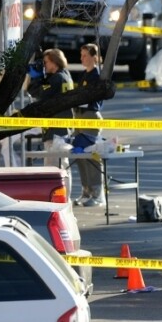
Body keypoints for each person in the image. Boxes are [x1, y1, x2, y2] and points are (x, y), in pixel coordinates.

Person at [27, 48, 74, 192]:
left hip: (56, 130)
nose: (44, 66)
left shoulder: (57, 79)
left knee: (54, 168)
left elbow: (38, 93)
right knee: (62, 166)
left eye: (46, 62)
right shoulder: (65, 75)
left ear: (55, 62)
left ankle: (61, 197)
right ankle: (65, 196)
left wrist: (35, 78)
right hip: (62, 127)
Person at [73, 43, 105, 207]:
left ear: (94, 57)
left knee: (91, 154)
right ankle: (86, 190)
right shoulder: (83, 75)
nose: (82, 58)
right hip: (79, 116)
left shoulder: (96, 75)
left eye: (85, 55)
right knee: (80, 155)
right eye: (81, 55)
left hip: (90, 115)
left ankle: (97, 192)